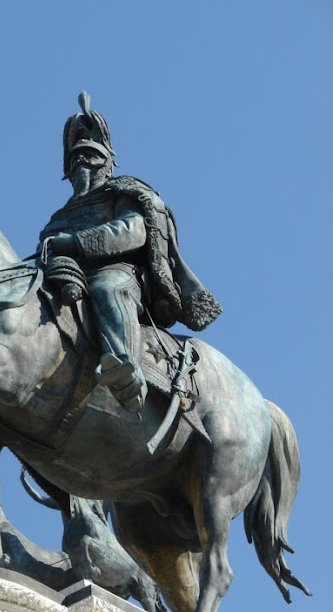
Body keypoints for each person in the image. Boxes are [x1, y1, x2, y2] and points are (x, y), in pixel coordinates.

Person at [39, 92, 221, 413]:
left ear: (107, 162)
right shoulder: (58, 217)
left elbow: (130, 233)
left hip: (122, 274)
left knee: (106, 287)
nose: (82, 161)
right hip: (68, 278)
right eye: (76, 158)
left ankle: (125, 370)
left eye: (90, 156)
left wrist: (76, 243)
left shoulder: (124, 191)